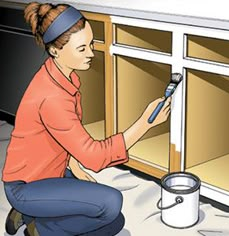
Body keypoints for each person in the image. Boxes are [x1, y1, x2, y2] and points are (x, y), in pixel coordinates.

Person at [2, 2, 171, 236]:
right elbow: (94, 156)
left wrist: (74, 166)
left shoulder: (59, 75)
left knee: (112, 221)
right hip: (26, 185)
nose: (91, 53)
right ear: (55, 50)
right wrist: (146, 123)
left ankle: (29, 213)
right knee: (111, 205)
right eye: (82, 49)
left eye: (90, 44)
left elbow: (63, 138)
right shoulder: (52, 97)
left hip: (49, 171)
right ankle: (39, 228)